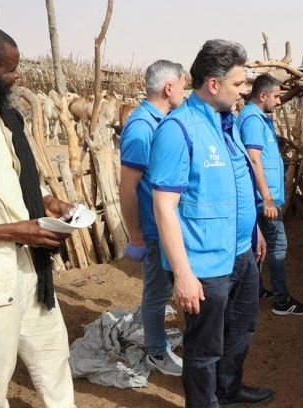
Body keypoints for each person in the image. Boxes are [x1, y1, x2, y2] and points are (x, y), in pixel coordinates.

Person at [149, 39, 273, 407]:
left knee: (242, 328)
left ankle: (228, 389)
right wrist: (183, 275)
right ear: (214, 84)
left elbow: (234, 185)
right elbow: (164, 207)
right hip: (203, 264)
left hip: (241, 253)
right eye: (239, 83)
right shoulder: (178, 129)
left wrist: (253, 232)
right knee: (204, 347)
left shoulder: (226, 123)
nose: (245, 90)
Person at [0, 27, 75, 407]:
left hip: (30, 267)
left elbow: (16, 178)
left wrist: (45, 201)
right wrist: (14, 230)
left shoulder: (7, 118)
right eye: (9, 70)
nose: (18, 77)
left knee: (53, 356)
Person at [119, 59, 186, 376]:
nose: (185, 92)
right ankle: (157, 352)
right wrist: (136, 235)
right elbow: (127, 187)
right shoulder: (141, 128)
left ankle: (159, 341)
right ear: (169, 88)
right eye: (183, 85)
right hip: (154, 228)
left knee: (165, 289)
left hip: (164, 225)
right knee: (157, 292)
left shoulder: (161, 122)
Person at [236, 73, 303, 316]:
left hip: (262, 197)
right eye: (277, 96)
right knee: (278, 246)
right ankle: (282, 301)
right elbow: (254, 160)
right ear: (263, 95)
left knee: (257, 247)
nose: (279, 101)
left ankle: (256, 290)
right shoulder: (252, 121)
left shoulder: (258, 118)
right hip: (262, 200)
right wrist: (268, 198)